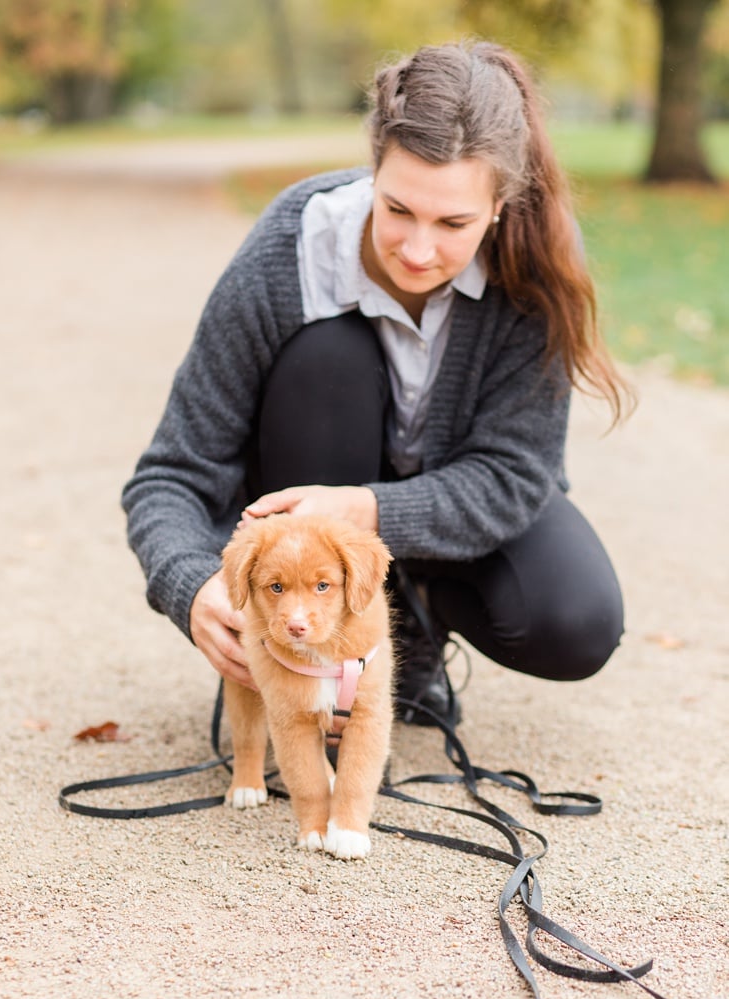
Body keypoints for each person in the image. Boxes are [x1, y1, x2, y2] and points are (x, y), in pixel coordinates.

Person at [121, 40, 632, 723]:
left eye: (454, 223)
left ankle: (406, 637)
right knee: (329, 356)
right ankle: (298, 662)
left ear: (500, 207)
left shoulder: (535, 269)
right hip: (304, 512)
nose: (419, 250)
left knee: (576, 620)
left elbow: (515, 475)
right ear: (373, 170)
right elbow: (169, 476)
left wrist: (367, 511)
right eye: (397, 210)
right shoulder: (290, 249)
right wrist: (192, 588)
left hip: (443, 516)